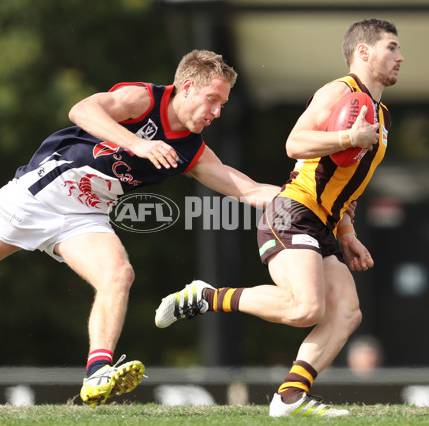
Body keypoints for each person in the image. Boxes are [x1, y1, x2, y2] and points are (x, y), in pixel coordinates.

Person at [0, 50, 279, 408]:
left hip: (84, 217)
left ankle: (97, 373)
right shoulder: (145, 99)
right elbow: (81, 109)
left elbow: (248, 190)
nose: (215, 111)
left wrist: (315, 200)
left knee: (118, 274)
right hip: (37, 197)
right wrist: (138, 144)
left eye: (222, 105)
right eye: (212, 99)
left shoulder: (191, 150)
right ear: (188, 86)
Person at [155, 19, 404, 417]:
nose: (400, 56)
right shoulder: (340, 91)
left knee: (347, 311)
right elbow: (295, 144)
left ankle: (289, 398)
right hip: (294, 212)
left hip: (324, 223)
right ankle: (206, 297)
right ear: (364, 52)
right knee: (306, 309)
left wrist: (348, 232)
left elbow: (343, 183)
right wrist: (348, 138)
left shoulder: (381, 116)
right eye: (391, 47)